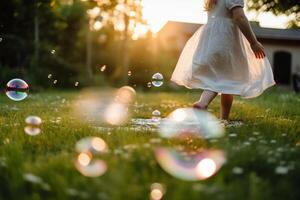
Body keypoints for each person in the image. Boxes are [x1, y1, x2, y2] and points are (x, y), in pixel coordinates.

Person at [171, 0, 276, 121]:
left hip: (209, 42)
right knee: (226, 79)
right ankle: (210, 109)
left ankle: (213, 111)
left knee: (223, 80)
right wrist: (253, 42)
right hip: (226, 42)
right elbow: (239, 17)